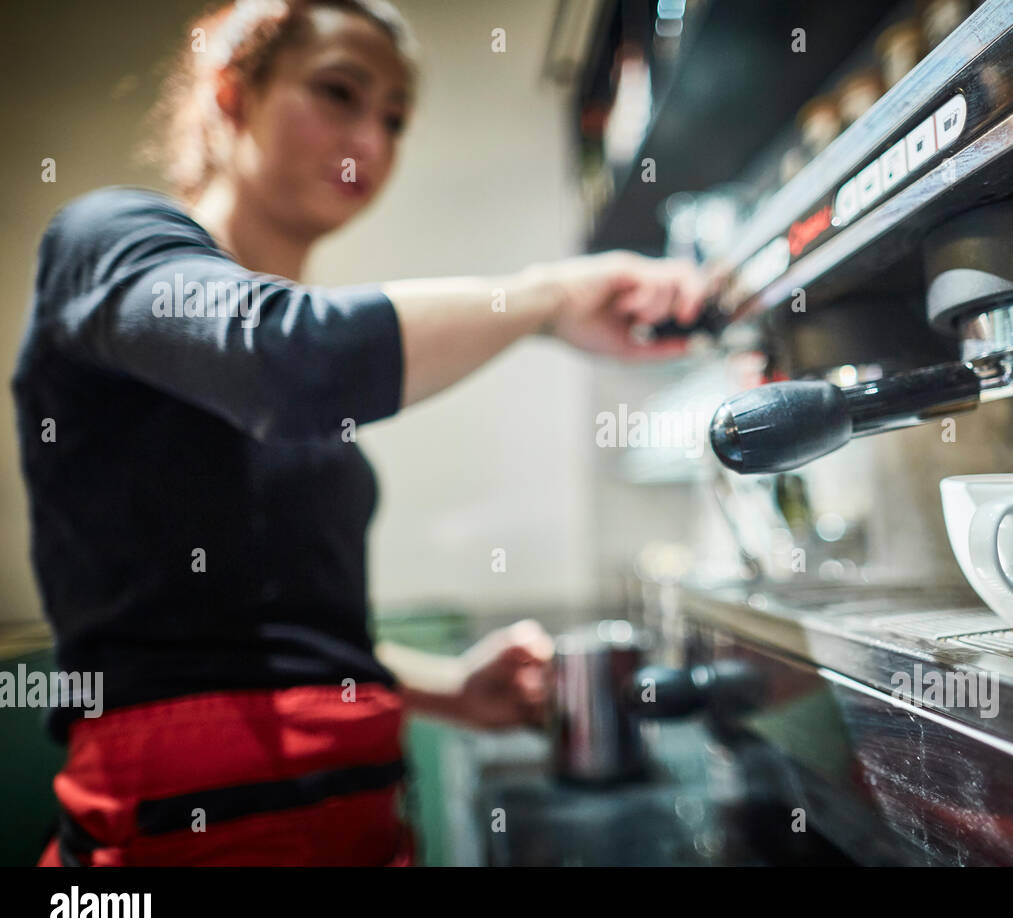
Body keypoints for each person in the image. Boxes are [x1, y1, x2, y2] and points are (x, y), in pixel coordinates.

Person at [14, 0, 711, 866]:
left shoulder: (306, 389)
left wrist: (453, 692)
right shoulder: (108, 239)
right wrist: (547, 297)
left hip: (360, 823)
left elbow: (291, 642)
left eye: (394, 118)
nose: (372, 141)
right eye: (339, 93)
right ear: (233, 97)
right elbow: (288, 358)